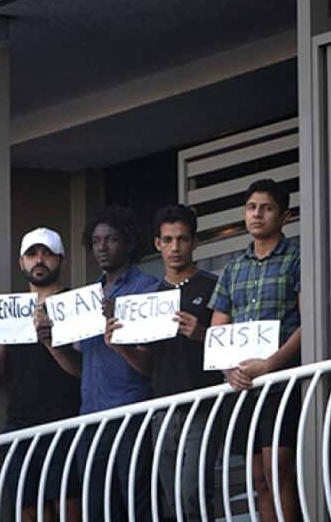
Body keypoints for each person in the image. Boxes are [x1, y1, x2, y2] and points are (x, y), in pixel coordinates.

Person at [36, 206, 158, 521]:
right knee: (98, 507)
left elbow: (148, 365)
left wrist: (117, 337)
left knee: (136, 502)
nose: (102, 248)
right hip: (91, 417)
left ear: (129, 243)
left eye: (111, 240)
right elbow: (81, 369)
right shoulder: (86, 298)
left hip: (131, 412)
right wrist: (52, 344)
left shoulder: (146, 289)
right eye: (96, 241)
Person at [105, 204, 224, 521]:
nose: (175, 247)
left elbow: (230, 348)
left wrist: (201, 334)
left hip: (204, 405)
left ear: (195, 242)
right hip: (163, 409)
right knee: (173, 499)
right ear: (157, 244)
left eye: (182, 239)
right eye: (168, 240)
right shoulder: (150, 297)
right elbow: (146, 366)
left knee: (193, 492)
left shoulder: (213, 287)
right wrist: (121, 347)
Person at [0, 227, 81, 522]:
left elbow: (82, 369)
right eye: (32, 254)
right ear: (21, 263)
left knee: (69, 508)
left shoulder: (74, 303)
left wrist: (49, 339)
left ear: (60, 259)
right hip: (20, 427)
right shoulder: (8, 311)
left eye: (47, 253)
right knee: (28, 510)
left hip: (66, 424)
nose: (39, 260)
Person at [210, 179, 303, 522]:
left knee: (278, 468)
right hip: (243, 386)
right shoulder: (234, 267)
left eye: (266, 208)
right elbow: (218, 328)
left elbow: (308, 323)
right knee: (258, 478)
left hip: (281, 383)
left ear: (284, 216)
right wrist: (227, 369)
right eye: (251, 208)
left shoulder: (297, 256)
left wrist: (270, 364)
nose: (257, 214)